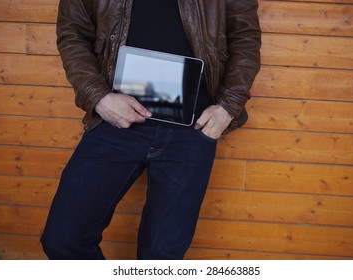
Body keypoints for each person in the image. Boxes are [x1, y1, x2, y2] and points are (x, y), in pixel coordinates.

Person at [41, 0, 261, 260]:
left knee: (162, 258)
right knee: (63, 239)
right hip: (115, 120)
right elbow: (73, 33)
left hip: (193, 128)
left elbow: (245, 38)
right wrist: (98, 97)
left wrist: (228, 107)